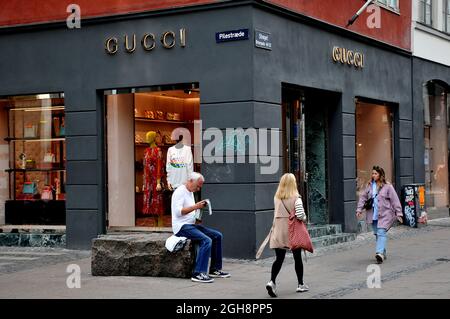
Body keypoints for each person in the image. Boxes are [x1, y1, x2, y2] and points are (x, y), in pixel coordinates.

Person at [171, 172, 230, 283]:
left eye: (200, 186)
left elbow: (189, 210)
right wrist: (196, 206)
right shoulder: (180, 192)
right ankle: (198, 273)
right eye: (198, 186)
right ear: (191, 181)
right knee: (206, 240)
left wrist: (198, 211)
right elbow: (178, 212)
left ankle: (215, 269)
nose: (198, 189)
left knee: (217, 236)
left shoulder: (190, 192)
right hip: (181, 227)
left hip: (191, 225)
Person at [265, 173, 309, 297]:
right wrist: (304, 218)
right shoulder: (296, 198)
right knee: (297, 258)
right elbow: (300, 215)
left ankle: (271, 282)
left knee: (279, 259)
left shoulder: (276, 197)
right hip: (292, 231)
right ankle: (300, 285)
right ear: (293, 183)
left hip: (278, 231)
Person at [356, 165, 403, 264]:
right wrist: (359, 209)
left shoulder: (388, 186)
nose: (373, 175)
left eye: (375, 173)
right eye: (372, 173)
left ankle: (379, 253)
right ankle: (383, 252)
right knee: (377, 233)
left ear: (380, 175)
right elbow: (363, 198)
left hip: (385, 214)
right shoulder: (369, 185)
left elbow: (395, 200)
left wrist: (399, 213)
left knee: (381, 232)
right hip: (373, 214)